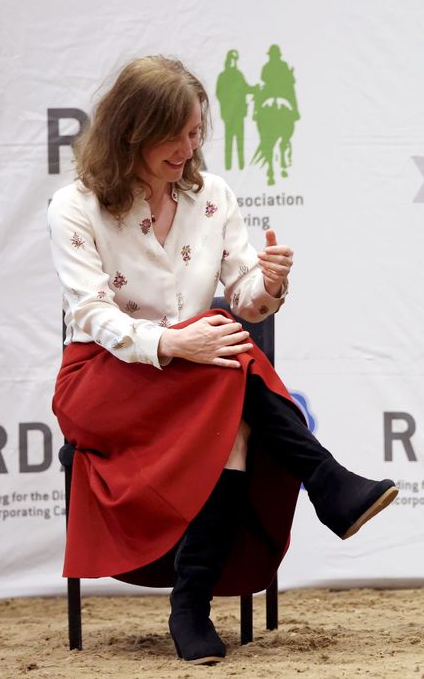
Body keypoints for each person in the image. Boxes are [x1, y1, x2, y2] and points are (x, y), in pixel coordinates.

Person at [48, 56, 397, 665]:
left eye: (195, 132)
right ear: (133, 129)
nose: (190, 148)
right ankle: (327, 480)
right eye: (176, 134)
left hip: (200, 379)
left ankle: (192, 608)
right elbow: (90, 315)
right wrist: (171, 343)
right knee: (221, 354)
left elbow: (246, 302)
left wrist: (272, 282)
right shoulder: (75, 207)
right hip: (105, 383)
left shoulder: (213, 197)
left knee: (230, 400)